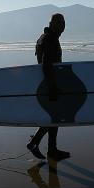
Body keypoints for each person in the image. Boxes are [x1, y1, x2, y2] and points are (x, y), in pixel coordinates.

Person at [27, 13, 70, 160]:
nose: (62, 27)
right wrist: (52, 86)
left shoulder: (43, 37)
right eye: (60, 23)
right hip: (48, 83)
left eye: (63, 24)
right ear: (52, 24)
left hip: (45, 82)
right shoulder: (50, 39)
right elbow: (46, 64)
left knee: (54, 116)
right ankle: (37, 143)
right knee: (55, 116)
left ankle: (50, 148)